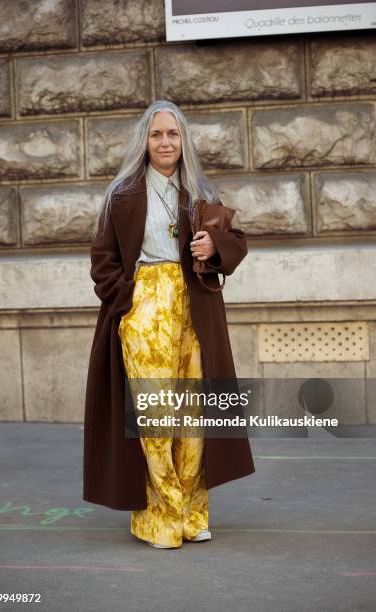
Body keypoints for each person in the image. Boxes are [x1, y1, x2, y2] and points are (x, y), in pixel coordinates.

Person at [83, 99, 255, 549]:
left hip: (193, 308)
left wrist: (211, 247)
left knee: (195, 415)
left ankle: (192, 513)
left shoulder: (197, 190)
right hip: (144, 310)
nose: (165, 142)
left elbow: (237, 243)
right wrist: (128, 301)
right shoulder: (121, 195)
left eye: (173, 134)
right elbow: (102, 260)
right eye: (157, 134)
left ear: (184, 140)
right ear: (145, 139)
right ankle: (160, 515)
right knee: (155, 415)